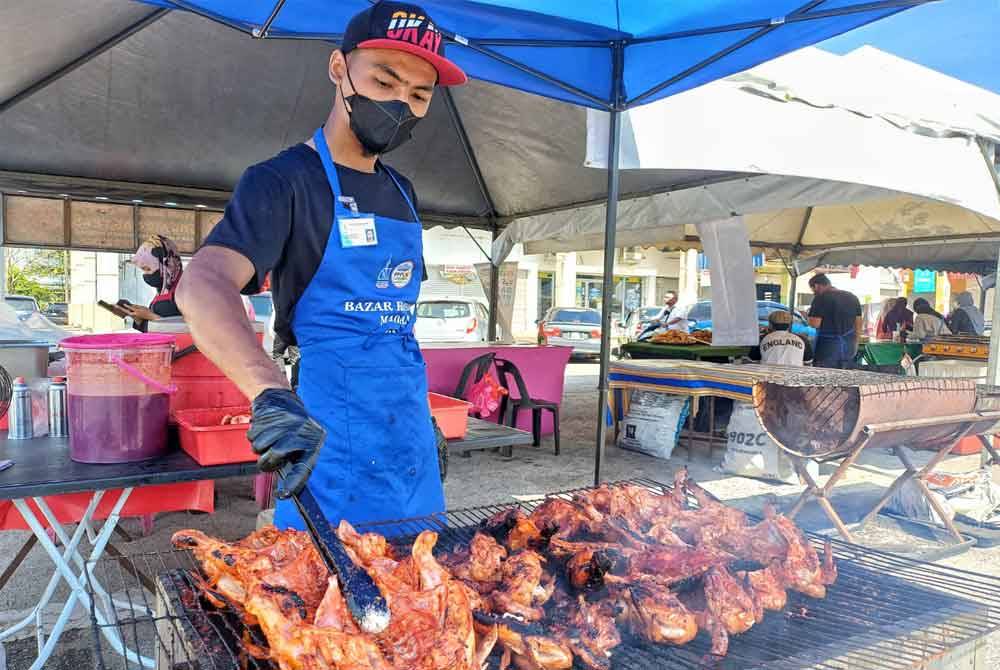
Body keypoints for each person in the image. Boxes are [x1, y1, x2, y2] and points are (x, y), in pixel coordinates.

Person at [175, 1, 465, 529]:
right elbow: (203, 283)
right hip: (328, 439)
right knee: (324, 599)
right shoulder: (283, 181)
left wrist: (420, 416)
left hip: (410, 445)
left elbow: (393, 327)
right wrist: (268, 393)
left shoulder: (404, 193)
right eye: (384, 81)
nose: (400, 103)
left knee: (424, 599)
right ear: (339, 69)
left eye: (419, 95)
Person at [125, 234, 184, 330]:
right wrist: (139, 319)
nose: (145, 275)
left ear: (166, 265)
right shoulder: (163, 290)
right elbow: (151, 328)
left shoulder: (186, 291)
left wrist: (150, 316)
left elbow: (190, 330)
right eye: (143, 270)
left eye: (148, 269)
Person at [807, 273, 862, 369]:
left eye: (812, 290)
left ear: (816, 286)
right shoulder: (852, 297)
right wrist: (856, 343)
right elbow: (858, 323)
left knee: (824, 379)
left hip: (827, 349)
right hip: (848, 346)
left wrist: (807, 316)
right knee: (844, 378)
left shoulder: (820, 298)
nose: (813, 292)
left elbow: (815, 324)